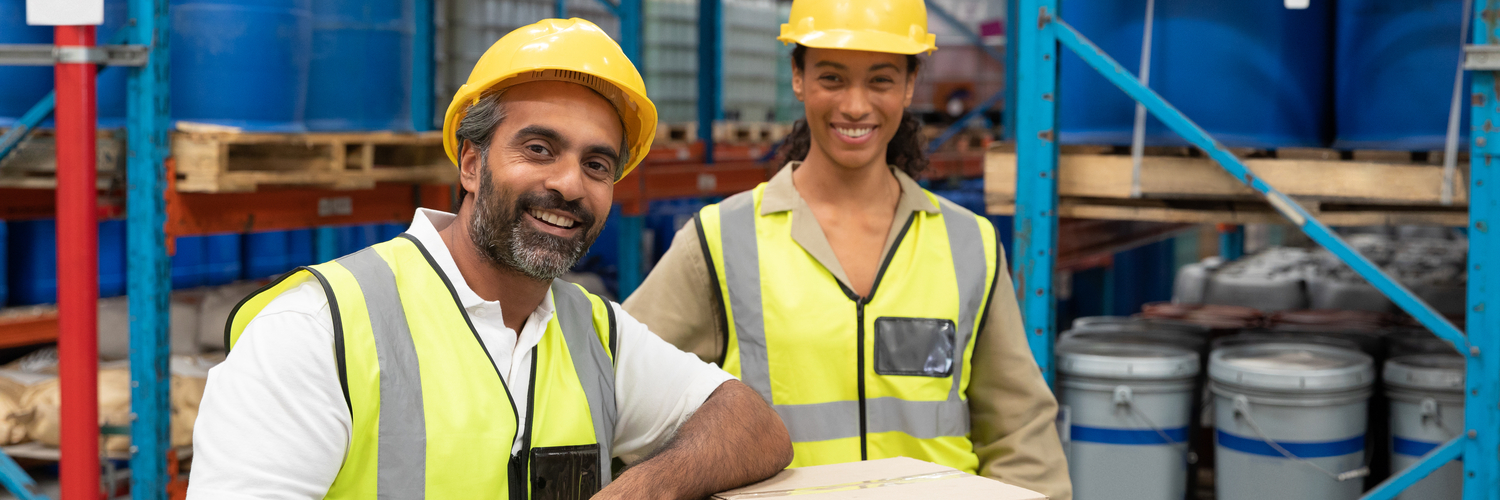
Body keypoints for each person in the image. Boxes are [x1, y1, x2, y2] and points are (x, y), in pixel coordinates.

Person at [187, 19, 792, 500]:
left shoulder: (594, 335)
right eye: (538, 148)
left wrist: (642, 488)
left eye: (596, 164)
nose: (569, 184)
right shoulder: (320, 332)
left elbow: (752, 425)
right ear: (471, 164)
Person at [622, 0, 1072, 498]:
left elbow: (1021, 433)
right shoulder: (720, 240)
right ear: (798, 76)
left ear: (909, 84)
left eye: (880, 80)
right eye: (832, 78)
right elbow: (621, 388)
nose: (855, 106)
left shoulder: (970, 245)